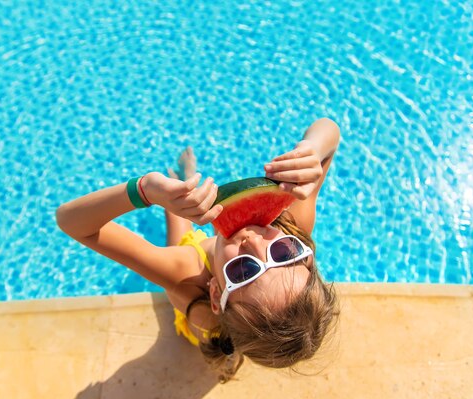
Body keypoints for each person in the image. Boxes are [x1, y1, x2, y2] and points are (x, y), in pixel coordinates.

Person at [56, 117, 341, 383]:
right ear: (304, 253)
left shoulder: (186, 276)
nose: (254, 241)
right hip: (233, 315)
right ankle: (183, 184)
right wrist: (311, 152)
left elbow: (72, 222)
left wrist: (144, 191)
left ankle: (182, 180)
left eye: (243, 271)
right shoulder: (294, 225)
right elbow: (330, 131)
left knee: (179, 233)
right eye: (284, 254)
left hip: (199, 299)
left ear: (216, 293)